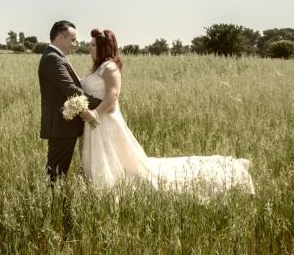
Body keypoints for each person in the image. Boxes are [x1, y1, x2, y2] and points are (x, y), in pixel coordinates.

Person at [80, 28, 254, 194]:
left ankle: (111, 188)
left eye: (93, 45)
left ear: (104, 47)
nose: (90, 48)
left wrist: (95, 113)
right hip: (95, 122)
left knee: (118, 161)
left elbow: (113, 95)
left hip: (105, 121)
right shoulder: (97, 68)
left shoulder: (109, 67)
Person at [38, 21, 103, 188]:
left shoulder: (56, 56)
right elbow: (71, 89)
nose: (75, 44)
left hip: (63, 126)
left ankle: (54, 204)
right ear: (61, 37)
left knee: (58, 172)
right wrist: (102, 103)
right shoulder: (53, 58)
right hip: (61, 126)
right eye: (72, 40)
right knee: (56, 173)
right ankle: (53, 208)